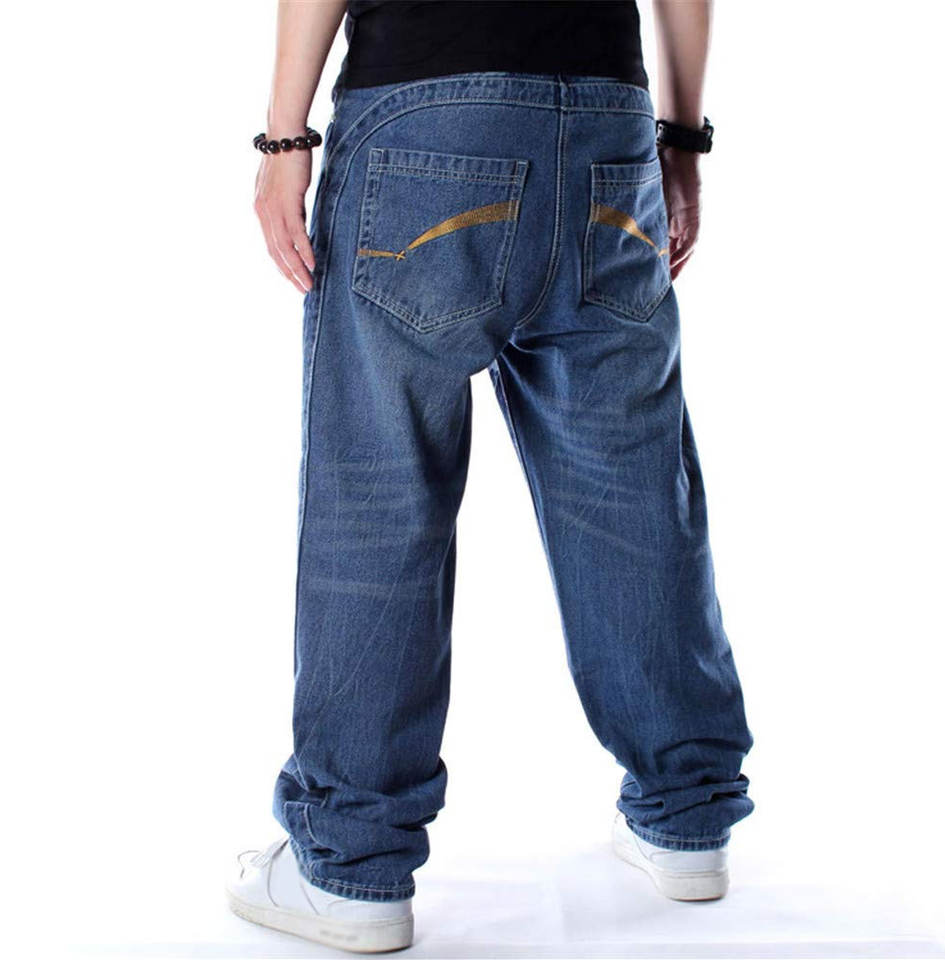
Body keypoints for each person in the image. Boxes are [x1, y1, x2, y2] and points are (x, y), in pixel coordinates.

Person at [228, 1, 754, 951]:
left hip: (424, 122)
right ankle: (687, 813)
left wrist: (285, 138)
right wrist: (680, 142)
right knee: (631, 488)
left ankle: (352, 863)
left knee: (381, 494)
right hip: (606, 124)